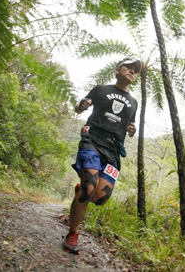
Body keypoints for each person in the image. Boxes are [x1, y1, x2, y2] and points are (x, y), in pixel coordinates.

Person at [63, 57, 141, 254]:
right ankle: (73, 233)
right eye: (128, 68)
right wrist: (82, 104)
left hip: (114, 149)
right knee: (90, 187)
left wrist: (132, 129)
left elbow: (129, 126)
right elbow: (79, 107)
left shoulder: (134, 102)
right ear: (117, 70)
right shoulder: (101, 89)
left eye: (135, 70)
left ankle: (82, 189)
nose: (132, 71)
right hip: (92, 138)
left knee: (100, 197)